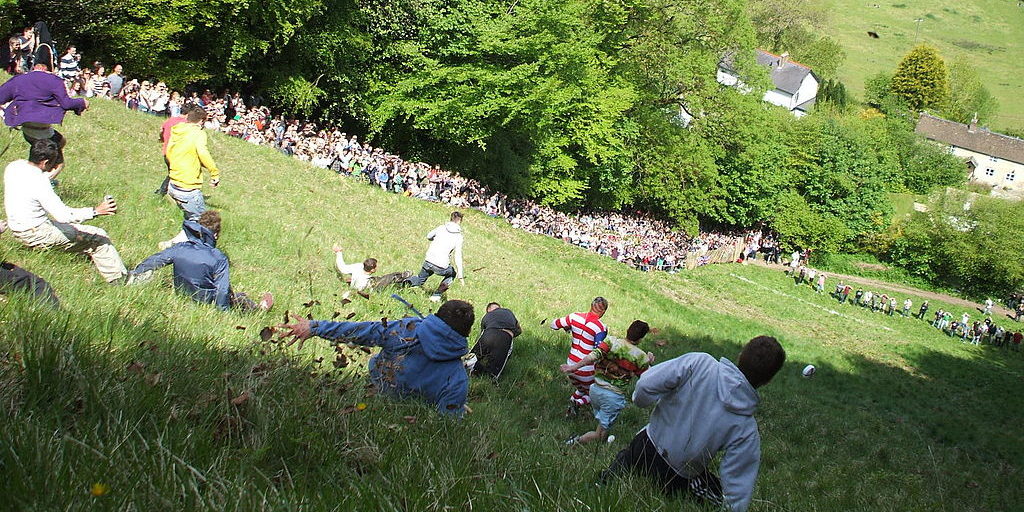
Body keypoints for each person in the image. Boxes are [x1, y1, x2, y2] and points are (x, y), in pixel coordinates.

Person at [599, 336, 786, 512]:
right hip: (677, 475)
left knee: (629, 458)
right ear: (768, 381)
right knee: (715, 496)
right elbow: (739, 483)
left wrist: (640, 401)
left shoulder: (700, 363)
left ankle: (610, 476)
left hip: (644, 444)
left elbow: (646, 384)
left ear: (739, 355)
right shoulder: (746, 427)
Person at [274, 300, 475, 416]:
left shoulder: (405, 329)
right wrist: (456, 407)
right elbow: (446, 424)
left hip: (368, 391)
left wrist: (315, 327)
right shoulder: (457, 380)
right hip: (401, 415)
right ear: (465, 335)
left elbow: (362, 331)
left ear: (436, 317)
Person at [3, 139, 126, 283]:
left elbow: (31, 183)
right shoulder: (40, 182)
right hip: (37, 233)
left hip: (15, 227)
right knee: (98, 236)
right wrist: (96, 211)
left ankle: (90, 261)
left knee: (77, 233)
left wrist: (49, 173)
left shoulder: (14, 166)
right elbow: (64, 215)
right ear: (45, 162)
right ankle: (120, 279)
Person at [128, 210, 272, 312]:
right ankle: (260, 309)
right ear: (215, 235)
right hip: (207, 302)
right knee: (240, 298)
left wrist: (134, 273)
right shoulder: (218, 257)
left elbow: (154, 261)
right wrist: (223, 312)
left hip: (183, 296)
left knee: (239, 295)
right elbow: (222, 289)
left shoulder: (180, 248)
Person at [562, 320, 653, 445]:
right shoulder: (641, 357)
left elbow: (593, 356)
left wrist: (574, 367)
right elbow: (650, 378)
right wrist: (649, 362)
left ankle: (602, 442)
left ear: (628, 330)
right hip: (612, 398)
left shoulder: (610, 341)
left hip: (594, 391)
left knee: (604, 427)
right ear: (641, 339)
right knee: (599, 434)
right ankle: (574, 442)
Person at [0, 62, 88, 168]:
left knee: (61, 142)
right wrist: (82, 102)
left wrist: (8, 115)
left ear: (35, 67)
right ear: (47, 69)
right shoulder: (54, 80)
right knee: (57, 165)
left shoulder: (19, 79)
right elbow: (66, 103)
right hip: (41, 129)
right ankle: (42, 180)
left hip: (27, 127)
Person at [159, 107, 221, 248]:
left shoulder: (178, 130)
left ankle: (175, 243)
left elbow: (169, 151)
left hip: (173, 183)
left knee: (192, 219)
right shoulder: (198, 133)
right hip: (188, 186)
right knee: (205, 224)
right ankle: (204, 254)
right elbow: (202, 153)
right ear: (201, 121)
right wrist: (214, 172)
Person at [552, 297, 609, 416]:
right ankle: (577, 404)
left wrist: (568, 327)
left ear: (591, 305)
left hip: (570, 364)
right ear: (603, 311)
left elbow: (554, 324)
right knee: (592, 394)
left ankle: (570, 407)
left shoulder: (574, 317)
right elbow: (598, 350)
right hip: (585, 368)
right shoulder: (600, 327)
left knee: (580, 389)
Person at [405, 211, 464, 302]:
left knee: (420, 279)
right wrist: (460, 274)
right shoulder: (458, 236)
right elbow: (458, 256)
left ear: (451, 218)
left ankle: (403, 283)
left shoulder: (441, 228)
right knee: (452, 274)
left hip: (428, 261)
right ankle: (436, 296)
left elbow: (429, 236)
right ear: (459, 221)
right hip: (441, 266)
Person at [468, 302, 521, 379]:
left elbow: (481, 334)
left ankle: (473, 367)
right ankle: (486, 373)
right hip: (505, 337)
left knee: (471, 358)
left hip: (488, 334)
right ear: (499, 307)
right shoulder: (508, 312)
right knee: (493, 374)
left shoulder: (486, 316)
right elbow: (519, 330)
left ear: (488, 310)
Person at [154, 105, 191, 196]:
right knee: (175, 174)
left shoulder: (170, 120)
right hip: (176, 153)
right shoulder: (186, 124)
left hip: (166, 152)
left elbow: (161, 131)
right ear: (189, 114)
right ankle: (163, 192)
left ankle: (168, 192)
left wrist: (162, 139)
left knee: (174, 173)